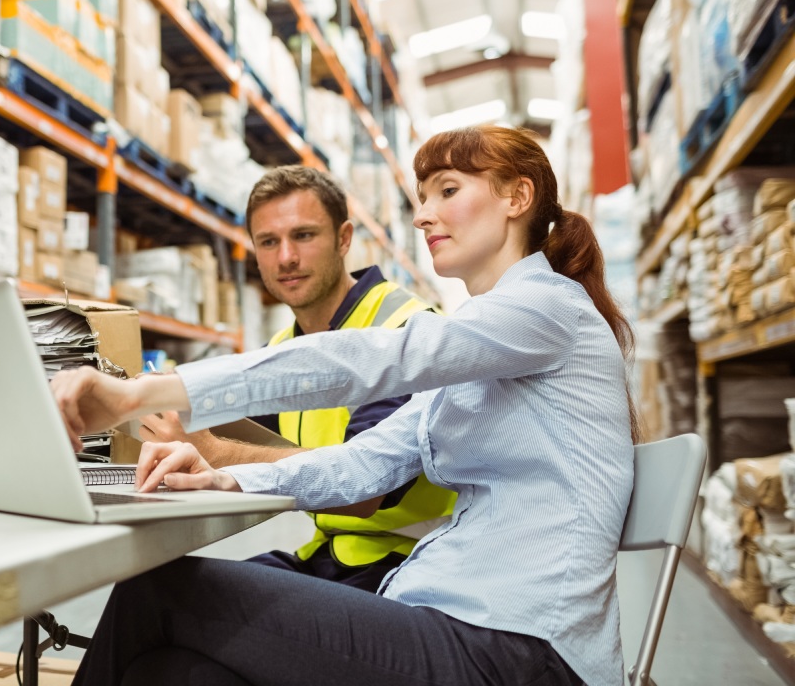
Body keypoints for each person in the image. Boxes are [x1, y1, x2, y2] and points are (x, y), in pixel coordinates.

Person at [53, 125, 639, 686]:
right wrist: (224, 478)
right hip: (447, 617)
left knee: (155, 591)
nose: (422, 214)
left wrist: (140, 392)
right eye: (422, 197)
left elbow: (363, 359)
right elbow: (363, 463)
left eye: (448, 191)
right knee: (176, 676)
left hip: (520, 649)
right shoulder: (482, 349)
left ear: (518, 197)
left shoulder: (545, 308)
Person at [139, 164, 455, 592]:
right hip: (328, 554)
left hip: (406, 566)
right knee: (155, 589)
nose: (286, 257)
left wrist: (213, 451)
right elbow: (243, 436)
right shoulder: (283, 346)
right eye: (269, 242)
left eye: (303, 235)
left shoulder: (404, 330)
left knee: (171, 604)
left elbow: (363, 493)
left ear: (344, 239)